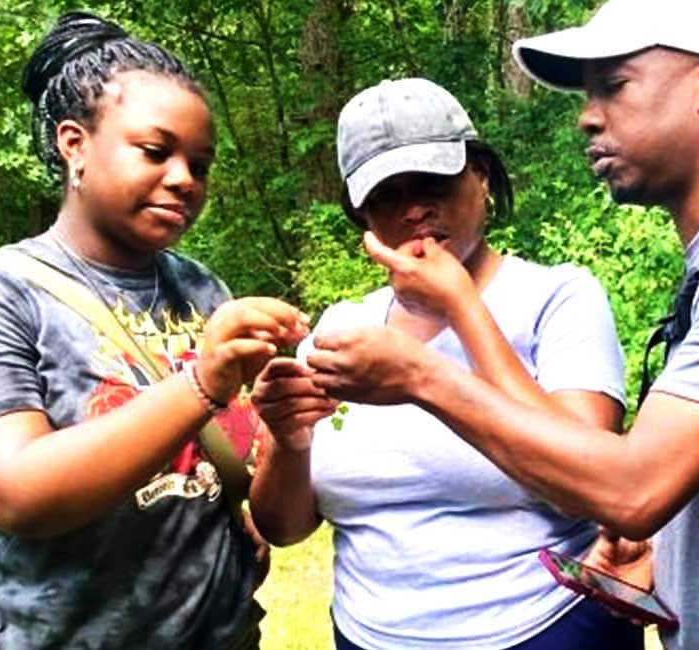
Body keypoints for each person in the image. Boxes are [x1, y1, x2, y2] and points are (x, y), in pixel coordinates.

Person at [295, 1, 699, 648]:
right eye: (588, 95)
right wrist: (666, 551)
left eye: (613, 86)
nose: (588, 115)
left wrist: (421, 374)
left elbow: (630, 489)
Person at [0, 12, 310, 649]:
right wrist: (203, 381)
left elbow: (255, 504)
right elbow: (15, 493)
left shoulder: (202, 290)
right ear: (74, 144)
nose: (185, 179)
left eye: (200, 163)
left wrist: (286, 433)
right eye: (156, 151)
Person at [248, 77, 645, 650]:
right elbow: (286, 528)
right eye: (387, 194)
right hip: (372, 635)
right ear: (362, 215)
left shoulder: (560, 297)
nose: (415, 209)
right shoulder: (339, 332)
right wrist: (289, 442)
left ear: (480, 178)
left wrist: (460, 305)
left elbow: (592, 483)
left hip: (548, 627)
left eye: (435, 181)